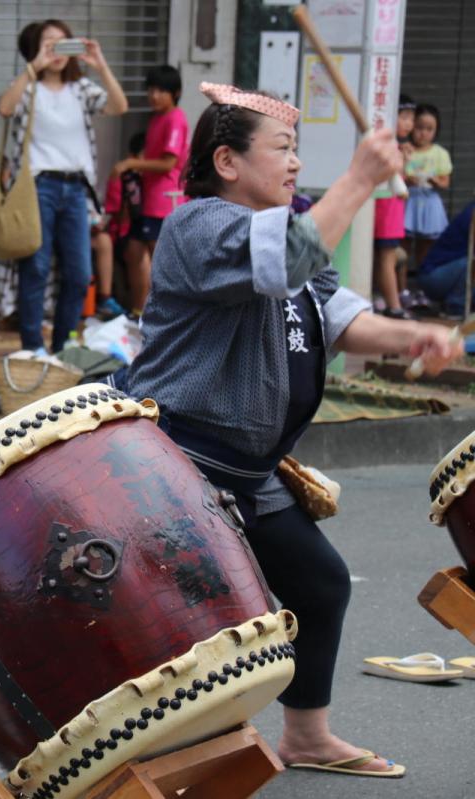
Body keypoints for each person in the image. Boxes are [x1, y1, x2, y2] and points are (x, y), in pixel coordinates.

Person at [128, 83, 461, 778]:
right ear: (226, 160)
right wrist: (361, 178)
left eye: (296, 150)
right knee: (200, 618)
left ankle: (306, 735)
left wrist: (414, 336)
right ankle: (158, 753)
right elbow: (289, 259)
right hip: (177, 464)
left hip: (249, 471)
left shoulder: (289, 233)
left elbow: (340, 315)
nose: (292, 164)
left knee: (319, 583)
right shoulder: (198, 226)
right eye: (281, 149)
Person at [0, 21, 128, 354]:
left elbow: (119, 106)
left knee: (80, 274)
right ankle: (32, 348)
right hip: (38, 186)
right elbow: (5, 108)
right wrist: (34, 67)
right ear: (35, 49)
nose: (57, 51)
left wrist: (100, 65)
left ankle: (62, 346)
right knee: (36, 268)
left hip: (76, 189)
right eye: (49, 44)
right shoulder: (28, 87)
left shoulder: (81, 88)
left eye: (62, 44)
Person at [112, 65, 188, 318]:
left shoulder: (176, 118)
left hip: (165, 199)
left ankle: (165, 314)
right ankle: (139, 309)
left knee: (161, 258)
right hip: (148, 198)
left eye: (161, 91)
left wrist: (131, 163)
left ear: (175, 93)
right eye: (151, 90)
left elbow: (169, 162)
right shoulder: (156, 119)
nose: (154, 96)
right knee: (134, 251)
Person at [372, 94, 415, 319]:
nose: (410, 123)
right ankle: (394, 305)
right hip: (387, 209)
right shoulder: (389, 146)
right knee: (386, 256)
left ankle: (388, 301)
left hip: (392, 210)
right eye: (404, 117)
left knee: (385, 256)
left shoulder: (398, 146)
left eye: (411, 118)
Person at [404, 103, 452, 267]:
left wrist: (435, 180)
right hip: (408, 201)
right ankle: (401, 289)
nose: (423, 133)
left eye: (429, 129)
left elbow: (445, 182)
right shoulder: (405, 149)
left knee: (426, 248)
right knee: (404, 247)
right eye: (419, 127)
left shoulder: (440, 153)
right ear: (412, 126)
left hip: (430, 203)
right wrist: (407, 179)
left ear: (436, 130)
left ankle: (422, 285)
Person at [415, 200, 475, 317]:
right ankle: (456, 307)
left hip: (447, 273)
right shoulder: (472, 214)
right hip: (433, 277)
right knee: (472, 263)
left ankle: (456, 302)